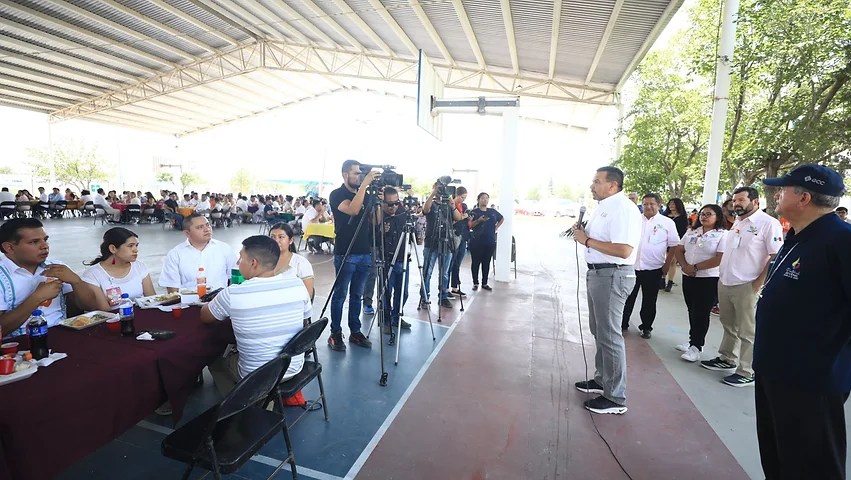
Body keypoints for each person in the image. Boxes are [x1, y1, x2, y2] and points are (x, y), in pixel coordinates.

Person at [754, 164, 851, 479]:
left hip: (811, 380)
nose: (778, 193)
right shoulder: (797, 236)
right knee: (779, 457)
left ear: (804, 197)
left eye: (784, 188)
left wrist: (832, 359)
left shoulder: (840, 240)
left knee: (813, 465)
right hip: (775, 370)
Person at [201, 235, 311, 396]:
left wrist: (213, 301)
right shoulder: (297, 284)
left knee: (215, 360)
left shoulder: (233, 293)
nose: (238, 263)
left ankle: (244, 403)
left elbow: (205, 317)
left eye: (241, 258)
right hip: (293, 366)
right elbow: (305, 317)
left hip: (255, 375)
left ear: (253, 263)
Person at [571, 166, 642, 415]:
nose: (592, 185)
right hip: (599, 273)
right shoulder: (604, 208)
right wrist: (583, 233)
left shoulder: (623, 209)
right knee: (598, 330)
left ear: (613, 185)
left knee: (610, 335)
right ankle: (602, 380)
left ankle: (615, 397)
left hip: (613, 274)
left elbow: (624, 250)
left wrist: (587, 241)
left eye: (597, 181)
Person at [700, 186, 783, 387]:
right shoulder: (738, 222)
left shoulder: (768, 223)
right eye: (735, 200)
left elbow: (775, 256)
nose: (736, 204)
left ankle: (747, 370)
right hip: (727, 281)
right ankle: (727, 358)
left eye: (741, 200)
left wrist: (758, 283)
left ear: (756, 202)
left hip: (748, 284)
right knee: (729, 324)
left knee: (748, 331)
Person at [0, 218, 100, 338]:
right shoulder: (2, 276)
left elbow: (91, 306)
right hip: (19, 347)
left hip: (62, 336)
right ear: (9, 248)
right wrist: (37, 298)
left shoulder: (56, 267)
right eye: (34, 242)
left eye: (45, 240)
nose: (44, 246)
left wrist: (76, 281)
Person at [326, 160, 379, 351]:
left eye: (361, 174)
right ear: (344, 174)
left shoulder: (365, 194)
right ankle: (335, 333)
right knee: (340, 295)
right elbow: (353, 210)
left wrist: (376, 200)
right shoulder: (337, 194)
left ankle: (355, 331)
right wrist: (365, 185)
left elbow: (376, 221)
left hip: (365, 252)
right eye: (356, 173)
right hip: (345, 252)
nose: (359, 177)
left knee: (357, 295)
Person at [672, 204, 726, 362]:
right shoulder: (692, 231)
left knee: (702, 312)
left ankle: (697, 346)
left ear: (717, 217)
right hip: (689, 276)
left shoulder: (723, 235)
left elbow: (719, 258)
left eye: (709, 214)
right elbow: (679, 250)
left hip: (708, 278)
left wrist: (695, 267)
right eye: (702, 214)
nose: (704, 216)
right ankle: (692, 341)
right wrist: (685, 267)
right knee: (692, 309)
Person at [620, 193, 679, 338]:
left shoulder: (667, 223)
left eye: (651, 204)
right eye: (645, 204)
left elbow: (674, 245)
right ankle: (622, 324)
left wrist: (667, 265)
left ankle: (646, 327)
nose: (648, 207)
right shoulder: (634, 220)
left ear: (659, 205)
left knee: (649, 300)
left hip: (653, 268)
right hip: (631, 266)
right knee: (627, 297)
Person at [158, 213, 238, 293]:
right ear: (187, 233)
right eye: (200, 227)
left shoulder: (224, 248)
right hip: (189, 302)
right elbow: (172, 289)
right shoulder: (175, 254)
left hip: (220, 301)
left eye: (208, 225)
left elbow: (234, 278)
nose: (207, 229)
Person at [81, 227, 156, 310]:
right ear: (113, 249)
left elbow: (152, 299)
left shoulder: (139, 267)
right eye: (130, 246)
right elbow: (106, 312)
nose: (136, 250)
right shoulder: (92, 275)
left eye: (136, 245)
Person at [421, 182, 463, 308]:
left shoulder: (448, 205)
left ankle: (443, 296)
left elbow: (458, 218)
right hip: (431, 243)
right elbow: (425, 210)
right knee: (427, 272)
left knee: (444, 273)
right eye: (438, 189)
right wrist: (433, 193)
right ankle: (424, 297)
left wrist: (452, 204)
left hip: (446, 242)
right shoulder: (432, 204)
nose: (441, 191)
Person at [467, 192, 503, 292]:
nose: (485, 200)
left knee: (486, 263)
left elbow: (501, 218)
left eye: (487, 198)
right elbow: (470, 225)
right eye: (483, 198)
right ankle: (475, 282)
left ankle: (484, 282)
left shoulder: (492, 211)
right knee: (475, 263)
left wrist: (496, 227)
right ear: (478, 200)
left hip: (489, 241)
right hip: (476, 241)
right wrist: (478, 221)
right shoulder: (474, 212)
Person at [269, 222, 314, 299]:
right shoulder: (263, 261)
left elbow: (308, 295)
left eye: (281, 237)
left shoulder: (300, 263)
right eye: (272, 237)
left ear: (290, 240)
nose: (276, 241)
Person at [662, 198, 688, 292]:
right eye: (670, 204)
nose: (671, 206)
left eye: (673, 204)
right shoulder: (664, 216)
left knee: (672, 262)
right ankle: (662, 279)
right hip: (663, 241)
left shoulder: (683, 217)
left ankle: (670, 281)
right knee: (663, 260)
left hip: (676, 242)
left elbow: (683, 231)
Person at [449, 187, 471, 297]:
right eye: (462, 197)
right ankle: (445, 289)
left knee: (457, 263)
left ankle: (455, 286)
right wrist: (462, 216)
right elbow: (455, 219)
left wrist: (467, 217)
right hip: (453, 235)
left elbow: (464, 219)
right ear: (456, 195)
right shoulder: (450, 205)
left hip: (463, 236)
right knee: (450, 262)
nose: (463, 200)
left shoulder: (464, 206)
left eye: (465, 198)